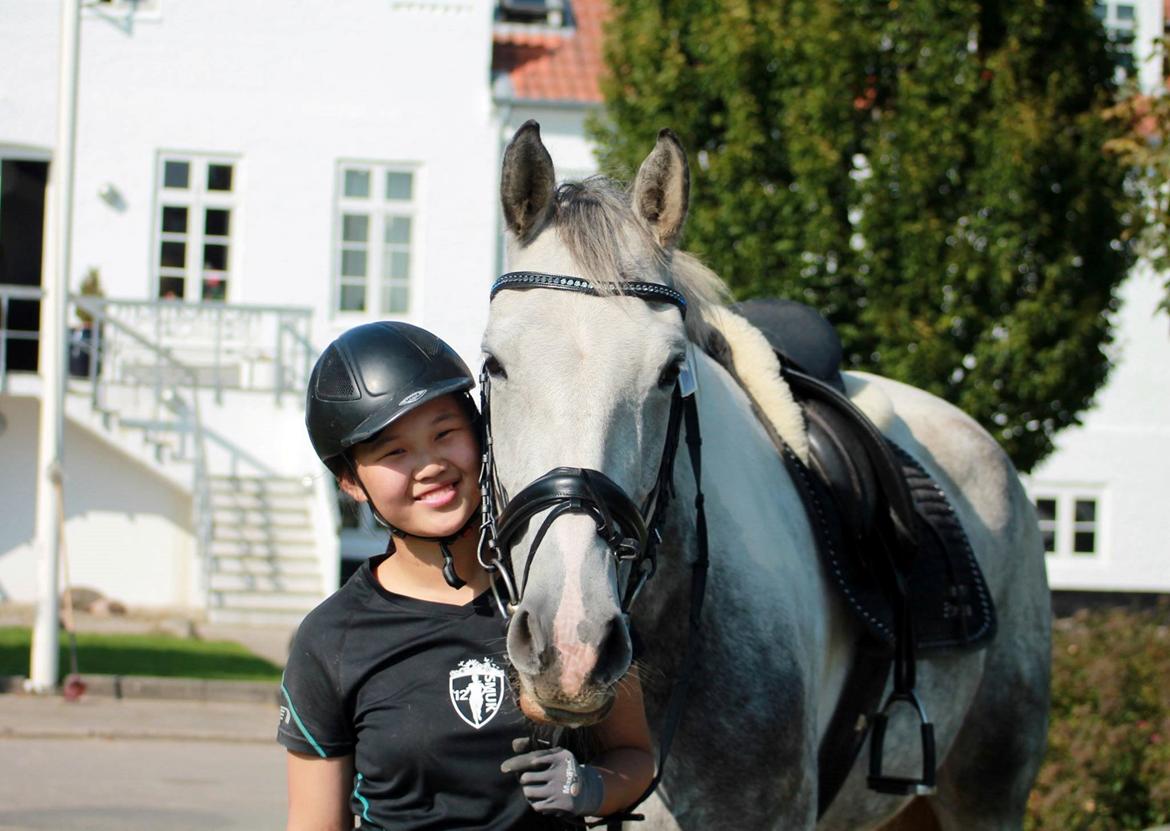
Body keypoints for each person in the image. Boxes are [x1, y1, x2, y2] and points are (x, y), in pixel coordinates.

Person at [278, 321, 655, 831]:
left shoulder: (562, 601)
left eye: (445, 434)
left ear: (482, 435)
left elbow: (634, 755)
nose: (430, 465)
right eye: (393, 452)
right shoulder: (330, 641)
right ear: (351, 480)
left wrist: (591, 786)